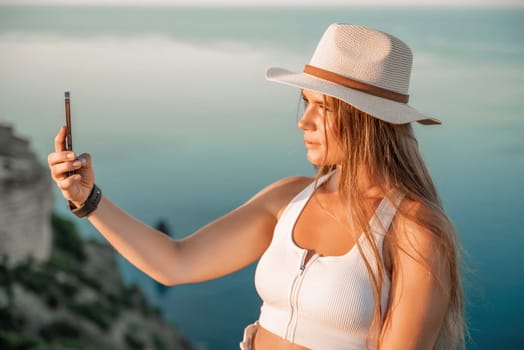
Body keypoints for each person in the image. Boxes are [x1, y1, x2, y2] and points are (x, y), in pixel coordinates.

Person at [48, 23, 466, 350]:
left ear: (365, 121)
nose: (303, 122)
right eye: (306, 104)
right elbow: (176, 262)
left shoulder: (415, 229)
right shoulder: (288, 198)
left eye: (322, 108)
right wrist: (87, 200)